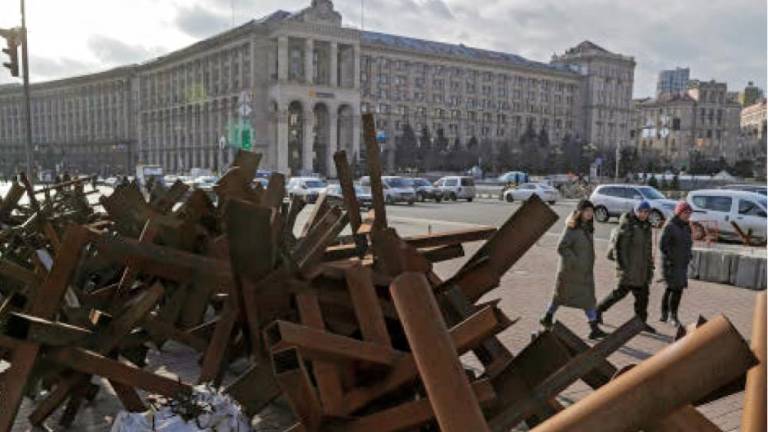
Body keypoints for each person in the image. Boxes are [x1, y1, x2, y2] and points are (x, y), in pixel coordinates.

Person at [540, 199, 607, 339]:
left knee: (588, 300)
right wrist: (576, 262)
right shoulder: (572, 227)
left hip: (584, 272)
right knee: (560, 297)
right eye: (587, 211)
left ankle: (594, 328)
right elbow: (561, 247)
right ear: (579, 211)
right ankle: (547, 317)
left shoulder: (587, 227)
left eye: (591, 211)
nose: (590, 214)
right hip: (571, 272)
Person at [596, 200, 657, 333]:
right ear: (635, 211)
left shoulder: (646, 226)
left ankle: (641, 322)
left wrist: (649, 267)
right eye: (641, 211)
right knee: (619, 294)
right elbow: (619, 248)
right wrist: (623, 268)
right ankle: (598, 310)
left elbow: (647, 249)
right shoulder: (628, 224)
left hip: (641, 270)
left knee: (643, 297)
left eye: (646, 212)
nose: (643, 214)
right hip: (628, 269)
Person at [659, 201, 693, 327]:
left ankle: (664, 314)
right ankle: (672, 316)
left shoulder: (686, 226)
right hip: (671, 263)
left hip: (681, 263)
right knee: (675, 289)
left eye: (689, 213)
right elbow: (663, 246)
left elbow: (688, 243)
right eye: (685, 213)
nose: (688, 215)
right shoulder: (670, 226)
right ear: (679, 213)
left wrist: (688, 255)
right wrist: (669, 260)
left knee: (672, 289)